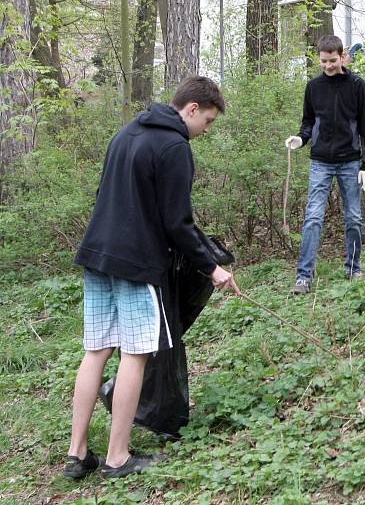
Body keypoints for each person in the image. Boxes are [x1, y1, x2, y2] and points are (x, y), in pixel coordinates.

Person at [64, 76, 239, 480]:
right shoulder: (175, 146)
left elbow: (104, 195)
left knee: (97, 351)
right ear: (191, 109)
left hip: (97, 254)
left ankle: (77, 454)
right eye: (208, 121)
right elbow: (177, 224)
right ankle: (117, 457)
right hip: (137, 263)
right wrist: (212, 268)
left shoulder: (127, 132)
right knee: (135, 354)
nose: (206, 130)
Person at [285, 35, 365, 294]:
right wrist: (300, 139)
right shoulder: (313, 87)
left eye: (332, 60)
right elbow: (308, 122)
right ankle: (303, 276)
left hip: (350, 160)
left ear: (342, 56)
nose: (328, 66)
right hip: (320, 162)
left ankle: (354, 268)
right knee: (313, 217)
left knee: (354, 218)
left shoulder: (357, 85)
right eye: (324, 61)